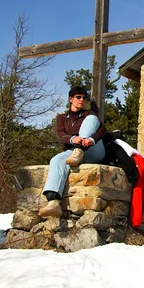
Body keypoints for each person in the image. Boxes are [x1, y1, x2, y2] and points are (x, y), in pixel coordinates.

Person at [39, 86, 107, 218]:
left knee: (92, 119)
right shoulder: (62, 118)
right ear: (71, 99)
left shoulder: (88, 114)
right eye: (78, 97)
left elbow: (102, 129)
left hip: (93, 150)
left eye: (83, 97)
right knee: (56, 160)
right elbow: (60, 134)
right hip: (73, 151)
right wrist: (72, 139)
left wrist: (91, 140)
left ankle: (79, 150)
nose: (82, 100)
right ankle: (53, 201)